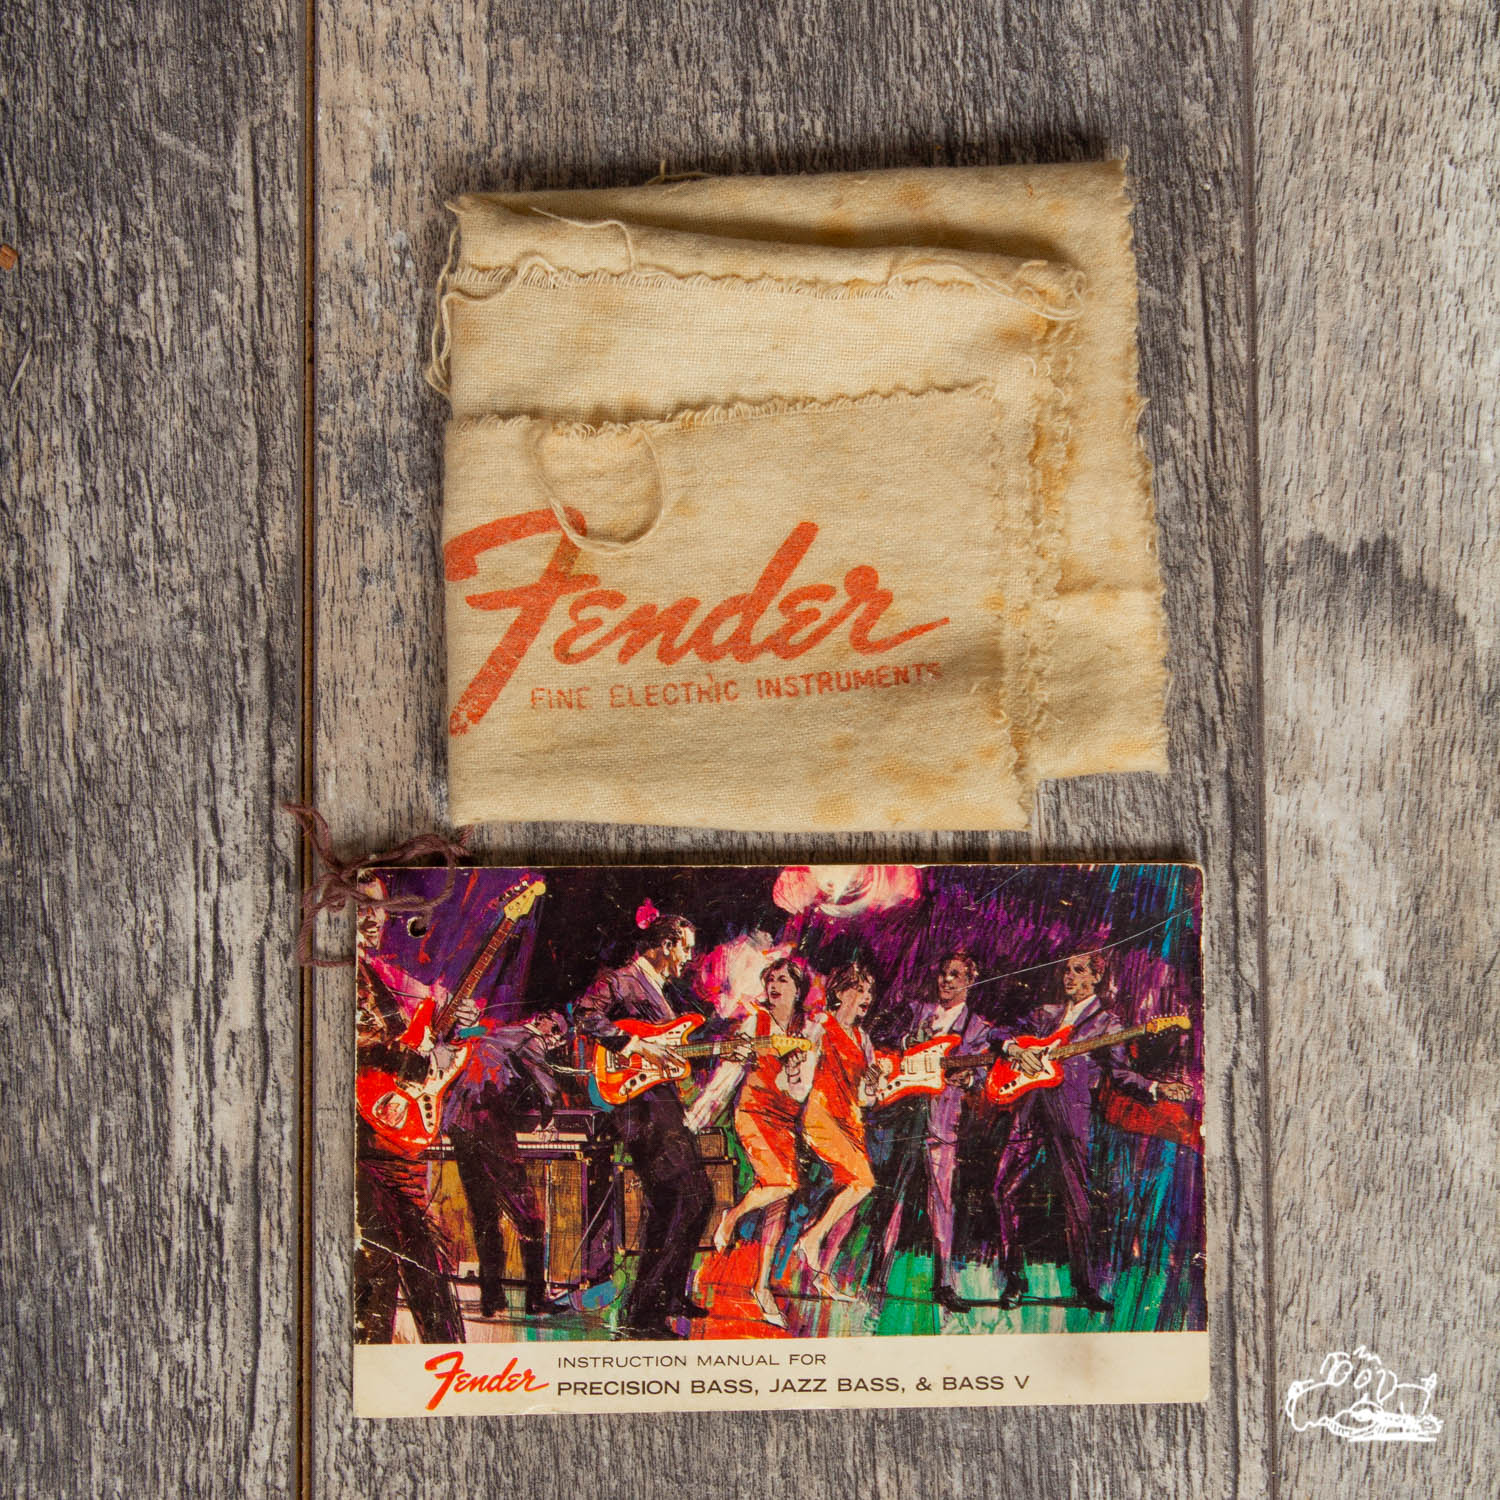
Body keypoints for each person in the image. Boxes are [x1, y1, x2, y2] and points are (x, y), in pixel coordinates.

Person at [989, 950, 1193, 1314]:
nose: (1068, 976)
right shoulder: (1045, 1015)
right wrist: (1015, 1049)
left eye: (1078, 970)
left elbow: (1122, 1074)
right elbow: (998, 1032)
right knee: (1003, 1190)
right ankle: (1015, 1280)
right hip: (1029, 1112)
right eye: (1066, 969)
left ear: (1096, 977)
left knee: (1076, 1202)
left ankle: (1084, 1285)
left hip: (1071, 1119)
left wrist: (1157, 1088)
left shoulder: (1107, 1024)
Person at [573, 908, 715, 1339]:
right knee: (680, 1199)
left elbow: (672, 1052)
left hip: (661, 1103)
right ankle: (643, 1314)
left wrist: (724, 1052)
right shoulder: (621, 980)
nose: (688, 959)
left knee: (696, 1198)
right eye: (685, 949)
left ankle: (667, 1296)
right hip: (637, 1105)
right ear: (666, 944)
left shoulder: (663, 993)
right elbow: (584, 1015)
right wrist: (636, 1046)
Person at [353, 877, 467, 1345]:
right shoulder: (335, 973)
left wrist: (454, 1021)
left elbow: (426, 1017)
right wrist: (411, 1059)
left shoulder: (379, 974)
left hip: (393, 1136)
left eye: (380, 907)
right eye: (360, 906)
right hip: (360, 1138)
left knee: (421, 1260)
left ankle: (450, 1360)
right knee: (382, 1262)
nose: (374, 917)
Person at [872, 950, 992, 1314]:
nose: (946, 980)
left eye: (955, 975)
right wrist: (908, 1041)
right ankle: (877, 1276)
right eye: (943, 973)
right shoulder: (916, 1011)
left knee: (941, 1203)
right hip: (906, 1117)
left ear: (970, 981)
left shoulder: (978, 1027)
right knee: (893, 1198)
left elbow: (983, 1074)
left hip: (942, 1123)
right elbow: (881, 1034)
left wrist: (968, 1078)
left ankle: (944, 1283)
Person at [444, 1009, 573, 1319]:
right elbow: (546, 1083)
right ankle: (535, 1299)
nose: (555, 1041)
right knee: (529, 1216)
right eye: (556, 1033)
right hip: (488, 1123)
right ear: (546, 1024)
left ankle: (492, 1298)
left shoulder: (496, 1031)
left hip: (458, 1123)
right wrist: (550, 1118)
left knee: (485, 1214)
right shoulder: (530, 1038)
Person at [710, 956, 816, 1328]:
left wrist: (796, 1070)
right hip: (753, 1113)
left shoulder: (808, 1027)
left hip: (786, 1119)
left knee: (779, 1204)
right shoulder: (755, 1022)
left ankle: (761, 1286)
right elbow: (732, 1063)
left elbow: (805, 1084)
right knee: (783, 1183)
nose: (774, 985)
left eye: (783, 980)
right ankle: (732, 1216)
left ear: (798, 989)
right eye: (771, 979)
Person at [795, 960, 881, 1300]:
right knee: (863, 1183)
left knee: (849, 1203)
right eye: (859, 989)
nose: (866, 997)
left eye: (869, 991)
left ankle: (823, 1276)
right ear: (840, 992)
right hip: (821, 1116)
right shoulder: (819, 1024)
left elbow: (865, 1098)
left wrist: (872, 1083)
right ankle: (812, 1238)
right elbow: (801, 1077)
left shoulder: (863, 1038)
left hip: (851, 1121)